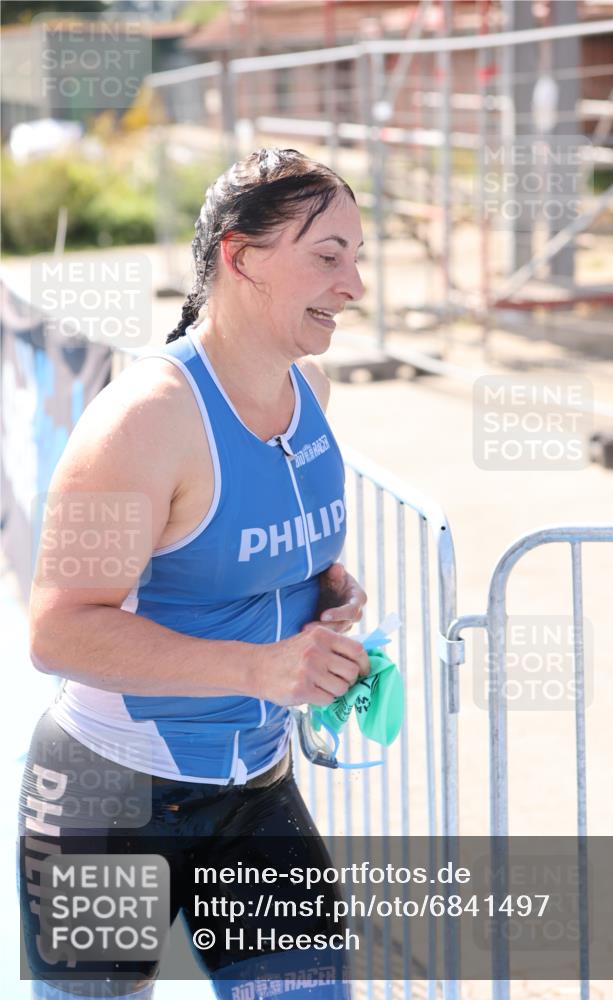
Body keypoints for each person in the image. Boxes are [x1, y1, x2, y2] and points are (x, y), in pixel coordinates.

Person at [20, 147, 369, 1000]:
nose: (353, 284)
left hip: (254, 789)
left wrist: (322, 584)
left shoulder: (308, 389)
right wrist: (258, 668)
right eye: (328, 255)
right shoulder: (145, 421)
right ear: (241, 257)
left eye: (357, 257)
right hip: (108, 800)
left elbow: (236, 541)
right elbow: (57, 630)